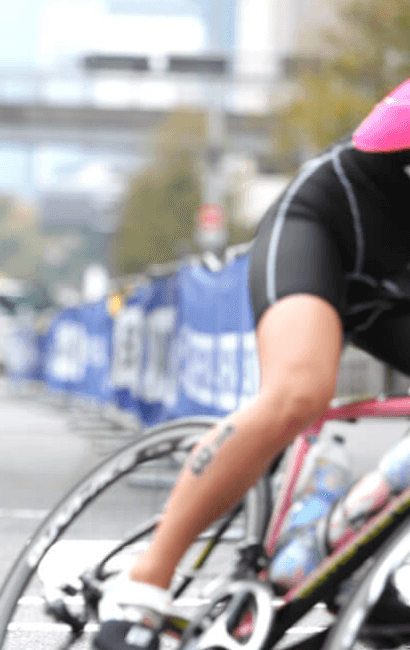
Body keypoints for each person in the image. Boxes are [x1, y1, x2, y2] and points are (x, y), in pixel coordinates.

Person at [90, 76, 410, 650]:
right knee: (300, 392)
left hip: (399, 279)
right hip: (331, 228)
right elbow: (381, 134)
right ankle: (144, 584)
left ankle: (341, 534)